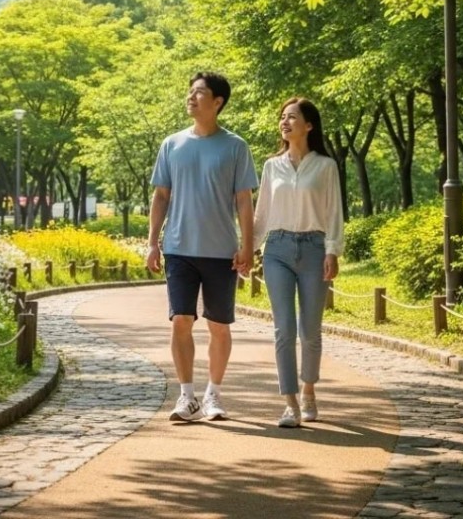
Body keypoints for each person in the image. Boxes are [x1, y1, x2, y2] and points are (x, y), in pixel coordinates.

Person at [146, 71, 257, 423]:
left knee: (219, 325)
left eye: (199, 93)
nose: (191, 98)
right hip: (179, 248)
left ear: (218, 102)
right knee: (180, 319)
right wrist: (152, 243)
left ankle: (214, 394)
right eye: (190, 92)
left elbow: (244, 201)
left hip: (221, 251)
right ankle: (186, 396)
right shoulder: (172, 144)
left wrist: (248, 246)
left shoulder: (235, 147)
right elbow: (161, 196)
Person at [254, 96, 344, 428]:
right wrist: (248, 249)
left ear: (309, 125)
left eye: (292, 117)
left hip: (313, 249)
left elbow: (334, 212)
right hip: (276, 248)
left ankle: (309, 390)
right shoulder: (270, 166)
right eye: (282, 117)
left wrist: (332, 250)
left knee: (309, 330)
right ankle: (289, 403)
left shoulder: (325, 166)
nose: (285, 121)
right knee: (284, 329)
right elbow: (261, 214)